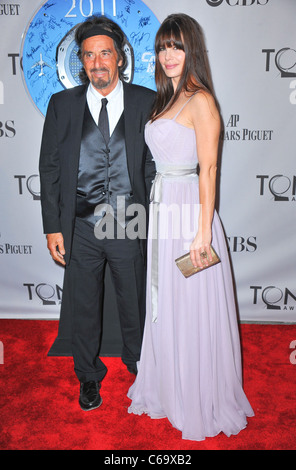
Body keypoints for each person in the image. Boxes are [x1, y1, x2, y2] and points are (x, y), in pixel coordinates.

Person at [128, 13, 254, 441]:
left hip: (190, 216)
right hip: (163, 210)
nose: (168, 55)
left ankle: (197, 395)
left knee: (191, 305)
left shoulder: (201, 100)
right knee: (166, 303)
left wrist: (202, 232)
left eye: (177, 46)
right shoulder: (165, 100)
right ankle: (168, 385)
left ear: (192, 50)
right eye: (163, 46)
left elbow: (209, 169)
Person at [39, 15, 156, 411]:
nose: (97, 62)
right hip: (82, 225)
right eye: (88, 55)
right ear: (81, 62)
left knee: (134, 301)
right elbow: (50, 168)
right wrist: (53, 227)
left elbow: (156, 164)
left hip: (130, 220)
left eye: (104, 53)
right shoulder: (62, 105)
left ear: (119, 58)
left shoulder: (146, 101)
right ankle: (88, 377)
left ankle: (140, 364)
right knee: (84, 304)